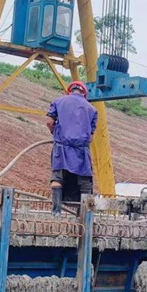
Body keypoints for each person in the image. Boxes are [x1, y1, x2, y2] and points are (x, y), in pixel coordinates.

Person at [46, 81, 97, 215]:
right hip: (81, 151)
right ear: (84, 93)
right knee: (85, 182)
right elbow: (90, 137)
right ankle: (84, 216)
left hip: (61, 148)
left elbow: (49, 122)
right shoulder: (92, 109)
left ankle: (56, 213)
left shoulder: (58, 101)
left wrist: (55, 133)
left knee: (57, 179)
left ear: (70, 90)